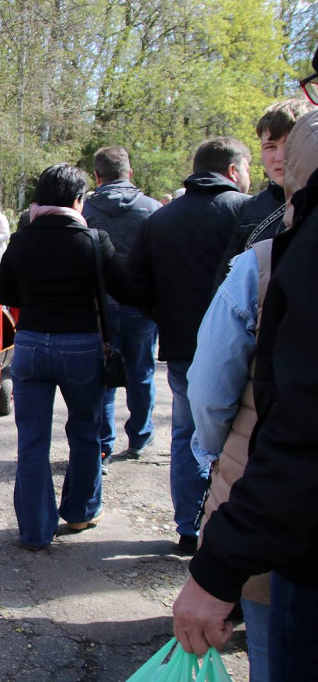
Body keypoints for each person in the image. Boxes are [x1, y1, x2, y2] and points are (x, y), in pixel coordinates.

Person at [171, 95, 318, 680]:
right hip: (281, 490)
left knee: (276, 646)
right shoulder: (262, 233)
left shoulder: (267, 254)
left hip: (273, 486)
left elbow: (214, 390)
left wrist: (214, 457)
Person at [0, 164, 147, 550]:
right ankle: (80, 512)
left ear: (40, 199)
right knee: (84, 432)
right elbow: (126, 291)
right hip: (80, 346)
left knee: (31, 441)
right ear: (79, 200)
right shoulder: (94, 240)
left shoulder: (21, 240)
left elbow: (6, 292)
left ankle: (34, 531)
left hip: (29, 347)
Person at [127, 137, 252, 555]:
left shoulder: (161, 219)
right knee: (238, 439)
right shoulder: (248, 212)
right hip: (243, 349)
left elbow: (137, 286)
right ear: (233, 171)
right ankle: (221, 531)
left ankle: (188, 526)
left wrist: (161, 317)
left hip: (182, 344)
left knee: (187, 434)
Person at [82, 146, 162, 473]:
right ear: (129, 172)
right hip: (141, 304)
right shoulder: (153, 210)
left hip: (98, 307)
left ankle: (103, 442)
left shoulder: (85, 211)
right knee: (141, 372)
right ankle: (140, 436)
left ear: (97, 176)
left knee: (102, 376)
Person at [214, 98, 314, 285]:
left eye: (290, 143)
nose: (280, 157)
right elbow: (227, 281)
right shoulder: (251, 207)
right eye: (270, 147)